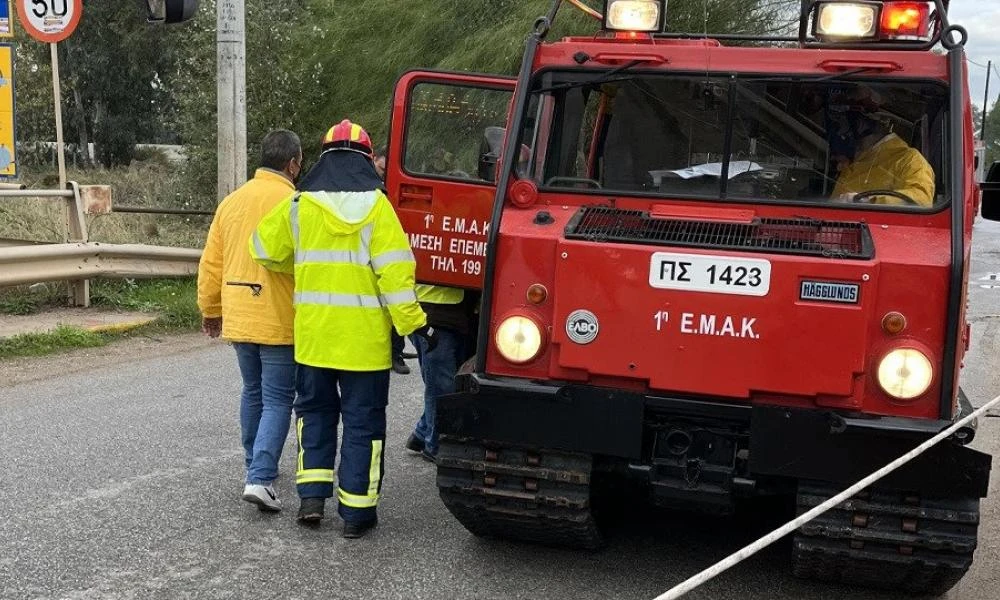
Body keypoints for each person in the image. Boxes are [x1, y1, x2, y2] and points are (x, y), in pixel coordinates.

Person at [251, 119, 436, 539]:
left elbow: (262, 248)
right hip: (364, 348)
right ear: (368, 158)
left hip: (314, 341)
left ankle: (312, 500)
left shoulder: (300, 206)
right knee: (363, 426)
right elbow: (396, 279)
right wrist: (418, 328)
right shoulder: (379, 208)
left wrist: (299, 266)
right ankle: (357, 515)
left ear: (323, 156)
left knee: (313, 417)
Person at [197, 129, 303, 512]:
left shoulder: (232, 202)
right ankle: (260, 477)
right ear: (293, 163)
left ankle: (253, 465)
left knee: (253, 392)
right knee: (277, 398)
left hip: (240, 312)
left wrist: (211, 309)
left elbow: (212, 263)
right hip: (279, 316)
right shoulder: (295, 202)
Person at [828, 88, 935, 207]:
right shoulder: (853, 165)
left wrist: (867, 201)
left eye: (851, 116)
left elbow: (921, 201)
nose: (840, 127)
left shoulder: (909, 160)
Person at [406, 286, 478, 462]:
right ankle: (436, 445)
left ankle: (423, 432)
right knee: (442, 387)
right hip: (435, 316)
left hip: (461, 315)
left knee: (449, 383)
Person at [374, 144, 411, 376]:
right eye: (381, 167)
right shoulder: (367, 182)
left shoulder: (393, 179)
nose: (383, 173)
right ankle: (389, 350)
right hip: (378, 242)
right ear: (374, 159)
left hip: (395, 239)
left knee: (396, 298)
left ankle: (395, 350)